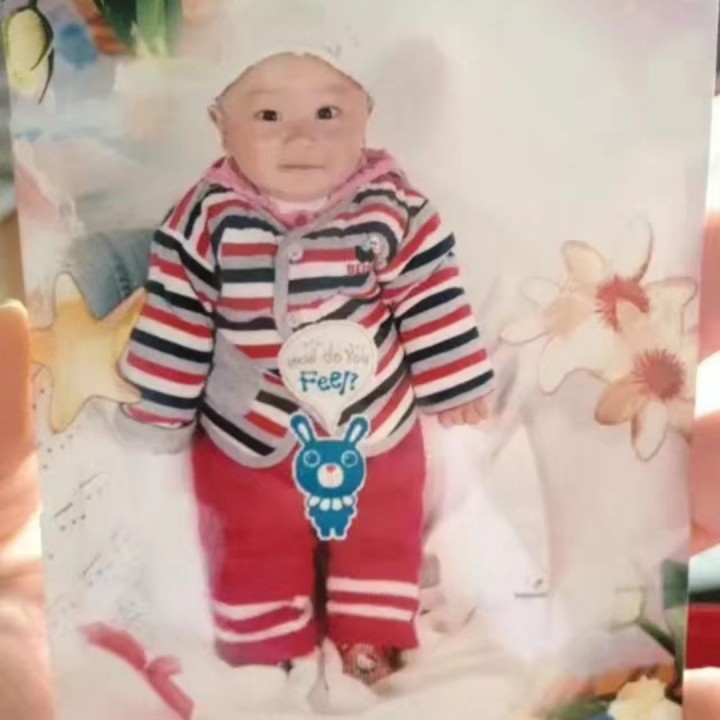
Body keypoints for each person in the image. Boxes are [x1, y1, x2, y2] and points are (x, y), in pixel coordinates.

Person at [118, 31, 494, 685]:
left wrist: (454, 380)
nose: (301, 137)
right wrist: (159, 409)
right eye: (268, 115)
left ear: (367, 117)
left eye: (328, 112)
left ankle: (371, 629)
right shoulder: (204, 217)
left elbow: (429, 294)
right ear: (220, 125)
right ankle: (269, 639)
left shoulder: (392, 208)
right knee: (248, 528)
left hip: (372, 421)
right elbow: (178, 315)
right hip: (248, 427)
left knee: (382, 525)